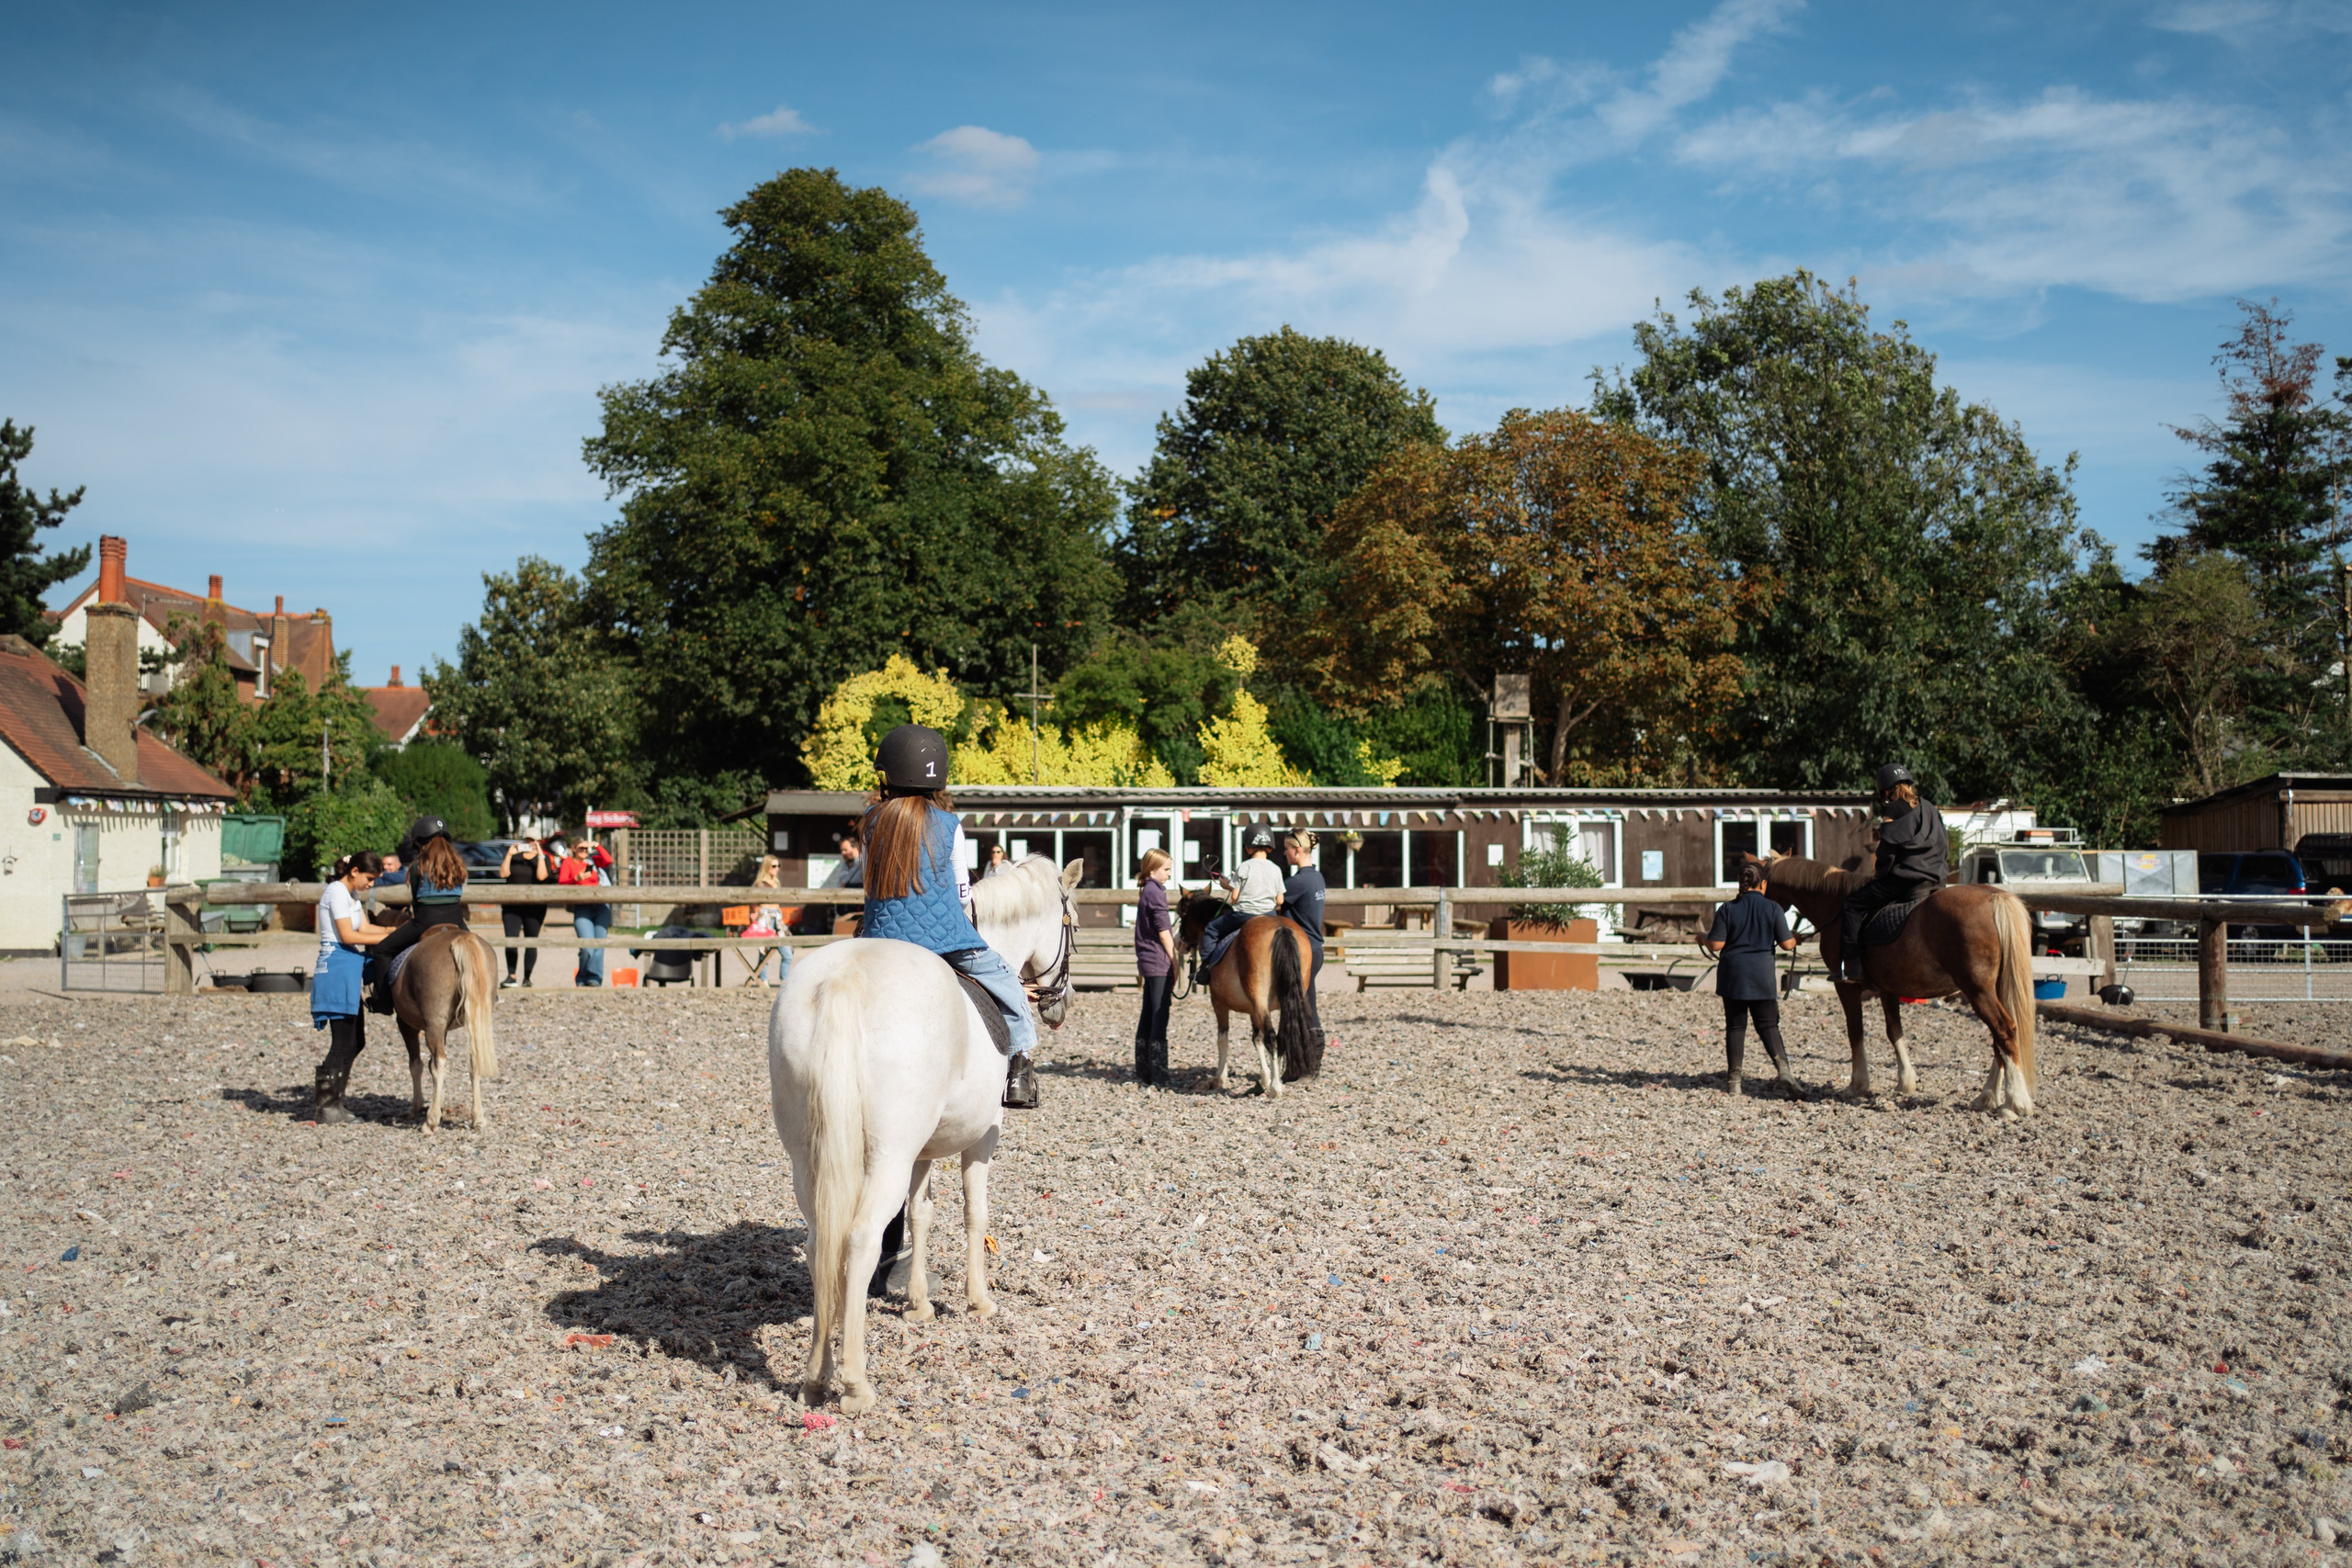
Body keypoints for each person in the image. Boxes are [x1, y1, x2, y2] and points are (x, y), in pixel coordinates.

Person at [858, 723, 1040, 1109]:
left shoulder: (870, 823)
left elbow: (868, 884)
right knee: (1007, 982)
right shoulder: (949, 825)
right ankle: (1020, 1070)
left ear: (888, 774)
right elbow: (961, 896)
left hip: (878, 938)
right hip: (944, 942)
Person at [1839, 763, 1950, 984]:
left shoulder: (1892, 810)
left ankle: (1854, 966)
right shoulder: (1930, 808)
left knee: (1852, 905)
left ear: (1886, 790)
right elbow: (1943, 844)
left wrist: (1881, 874)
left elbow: (1887, 852)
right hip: (1935, 879)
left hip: (1905, 880)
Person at [310, 851, 393, 1123]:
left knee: (356, 1040)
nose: (371, 885)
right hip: (336, 966)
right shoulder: (335, 891)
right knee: (344, 1042)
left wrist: (394, 933)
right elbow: (347, 935)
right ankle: (327, 1106)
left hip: (349, 966)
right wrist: (391, 935)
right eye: (369, 879)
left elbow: (366, 929)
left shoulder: (352, 895)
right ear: (354, 871)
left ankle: (336, 1101)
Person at [1702, 861, 1800, 1094]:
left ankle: (1734, 1081)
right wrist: (1795, 938)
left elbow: (1716, 944)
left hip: (1733, 976)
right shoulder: (1774, 908)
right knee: (1768, 1025)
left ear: (1741, 883)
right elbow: (1787, 944)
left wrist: (1702, 937)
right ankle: (1783, 1070)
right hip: (1762, 976)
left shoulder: (1726, 909)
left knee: (1735, 1027)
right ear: (1763, 884)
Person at [366, 817, 468, 1014]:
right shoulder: (457, 864)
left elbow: (416, 902)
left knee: (383, 950)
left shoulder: (418, 866)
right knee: (480, 950)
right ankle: (491, 993)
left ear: (420, 842)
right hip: (456, 919)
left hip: (426, 920)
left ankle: (383, 1002)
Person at [1199, 826, 1284, 955]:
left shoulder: (1245, 866)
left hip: (1244, 915)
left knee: (1212, 929)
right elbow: (1280, 900)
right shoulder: (1276, 868)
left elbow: (1234, 898)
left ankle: (1205, 969)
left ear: (1248, 848)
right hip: (1269, 914)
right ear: (1269, 848)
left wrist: (1227, 885)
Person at [1132, 847, 1178, 1087]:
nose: (1170, 874)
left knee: (1148, 1013)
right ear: (1152, 869)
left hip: (1147, 960)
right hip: (1158, 960)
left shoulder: (1147, 890)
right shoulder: (1156, 893)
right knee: (1160, 1015)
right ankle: (1160, 1074)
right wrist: (1175, 960)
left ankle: (1144, 1069)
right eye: (1166, 869)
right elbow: (1163, 932)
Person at [498, 837, 555, 987]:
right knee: (511, 939)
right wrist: (509, 854)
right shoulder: (515, 857)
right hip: (512, 905)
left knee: (531, 940)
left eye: (534, 840)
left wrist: (540, 855)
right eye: (528, 840)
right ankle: (511, 976)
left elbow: (542, 876)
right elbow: (503, 874)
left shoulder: (545, 858)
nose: (531, 843)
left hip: (535, 907)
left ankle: (527, 978)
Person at [1277, 829, 1329, 985]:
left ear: (1297, 850)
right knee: (1307, 1006)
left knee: (1292, 1006)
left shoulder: (1298, 882)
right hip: (1315, 949)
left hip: (1301, 950)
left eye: (1287, 849)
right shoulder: (1317, 877)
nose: (1285, 853)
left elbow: (1269, 901)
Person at [561, 839, 612, 987]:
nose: (583, 851)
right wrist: (576, 879)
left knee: (599, 944)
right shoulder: (569, 863)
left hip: (601, 905)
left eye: (585, 848)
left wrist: (596, 845)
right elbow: (562, 882)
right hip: (582, 906)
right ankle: (582, 977)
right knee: (587, 946)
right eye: (580, 848)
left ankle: (594, 978)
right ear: (574, 849)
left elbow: (608, 860)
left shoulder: (593, 861)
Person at [748, 854, 792, 986]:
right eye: (774, 866)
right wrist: (754, 914)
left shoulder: (776, 883)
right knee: (764, 952)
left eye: (778, 866)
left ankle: (784, 980)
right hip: (765, 917)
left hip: (777, 918)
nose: (777, 869)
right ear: (766, 867)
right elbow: (752, 902)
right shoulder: (760, 884)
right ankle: (763, 980)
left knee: (787, 953)